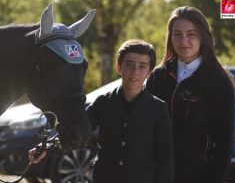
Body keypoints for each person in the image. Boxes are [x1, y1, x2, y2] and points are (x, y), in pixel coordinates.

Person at [29, 39, 174, 183]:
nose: (135, 71)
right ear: (118, 67)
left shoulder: (158, 108)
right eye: (129, 64)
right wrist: (45, 148)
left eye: (142, 66)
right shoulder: (103, 102)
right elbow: (77, 131)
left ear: (149, 71)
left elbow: (165, 159)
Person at [146, 6, 235, 183]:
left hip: (196, 176)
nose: (183, 40)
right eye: (177, 34)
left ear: (202, 37)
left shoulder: (218, 80)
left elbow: (224, 144)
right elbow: (144, 128)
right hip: (155, 176)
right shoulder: (158, 76)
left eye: (191, 34)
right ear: (170, 38)